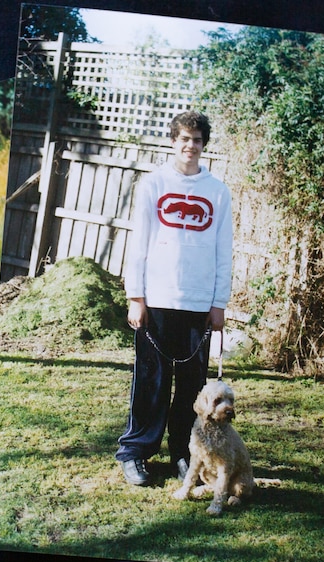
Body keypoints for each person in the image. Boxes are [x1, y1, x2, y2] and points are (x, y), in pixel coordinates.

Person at [116, 110, 233, 486]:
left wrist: (219, 303)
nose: (190, 146)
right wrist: (136, 296)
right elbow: (139, 242)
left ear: (204, 145)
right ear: (173, 141)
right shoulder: (153, 183)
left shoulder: (217, 190)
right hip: (157, 299)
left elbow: (223, 249)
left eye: (197, 140)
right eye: (184, 138)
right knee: (151, 381)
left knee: (190, 387)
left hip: (198, 304)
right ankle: (135, 452)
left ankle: (184, 453)